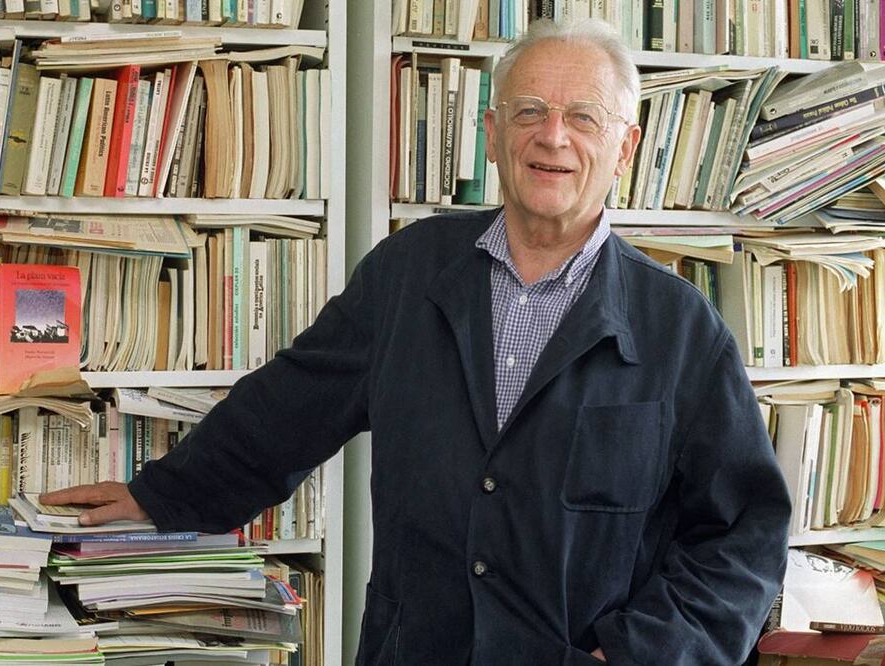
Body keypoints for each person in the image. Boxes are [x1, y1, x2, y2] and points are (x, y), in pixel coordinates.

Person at [41, 18, 791, 665]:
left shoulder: (682, 329)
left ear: (624, 146)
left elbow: (740, 539)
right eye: (527, 110)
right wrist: (159, 496)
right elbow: (288, 408)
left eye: (583, 117)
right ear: (492, 135)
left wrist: (639, 653)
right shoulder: (409, 272)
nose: (551, 136)